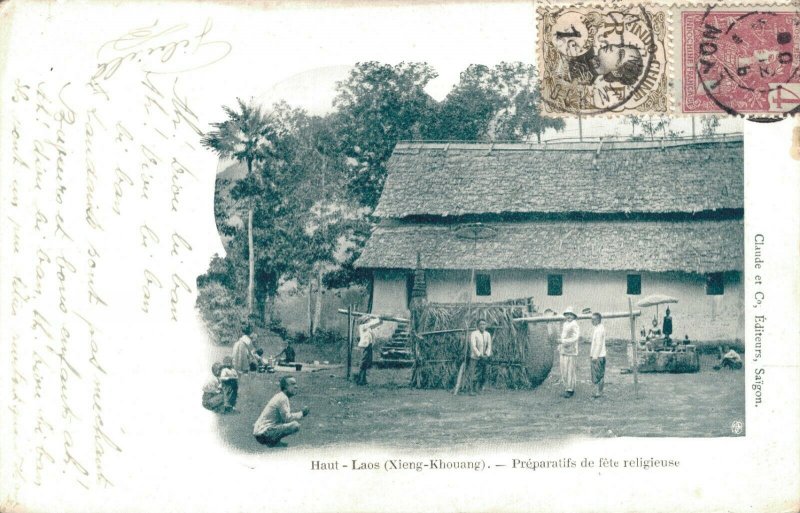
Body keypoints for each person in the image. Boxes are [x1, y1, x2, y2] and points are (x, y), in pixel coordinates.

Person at [253, 376, 310, 447]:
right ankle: (272, 443)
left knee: (281, 423)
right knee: (295, 425)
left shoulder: (280, 396)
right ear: (285, 387)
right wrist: (302, 413)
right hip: (264, 433)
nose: (296, 386)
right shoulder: (283, 398)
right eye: (293, 384)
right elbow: (287, 418)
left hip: (260, 432)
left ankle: (275, 443)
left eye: (296, 384)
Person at [568, 43, 644, 86]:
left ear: (617, 72)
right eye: (619, 46)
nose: (613, 46)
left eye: (620, 55)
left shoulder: (582, 84)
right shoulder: (584, 45)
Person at [466, 319, 493, 395]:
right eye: (480, 324)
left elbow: (489, 346)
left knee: (483, 373)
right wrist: (479, 355)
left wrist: (486, 354)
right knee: (474, 374)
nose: (482, 326)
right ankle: (471, 390)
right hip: (475, 357)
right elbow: (473, 346)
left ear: (486, 325)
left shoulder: (487, 334)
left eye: (484, 324)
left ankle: (479, 389)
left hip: (484, 357)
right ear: (478, 325)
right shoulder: (474, 334)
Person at [559, 307, 580, 398]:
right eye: (567, 314)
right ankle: (566, 387)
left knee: (570, 370)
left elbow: (576, 337)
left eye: (571, 314)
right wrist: (560, 344)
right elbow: (563, 336)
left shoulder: (574, 324)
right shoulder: (565, 324)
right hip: (564, 350)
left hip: (571, 350)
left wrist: (564, 342)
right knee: (563, 370)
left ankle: (570, 389)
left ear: (574, 316)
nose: (569, 316)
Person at [356, 315, 382, 386]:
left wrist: (380, 321)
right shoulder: (363, 326)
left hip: (368, 346)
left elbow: (375, 325)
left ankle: (363, 380)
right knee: (363, 362)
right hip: (365, 346)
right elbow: (373, 323)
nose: (370, 321)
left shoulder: (368, 328)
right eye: (368, 320)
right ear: (365, 321)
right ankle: (360, 380)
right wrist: (378, 318)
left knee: (366, 362)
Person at [589, 313, 606, 398]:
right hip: (601, 355)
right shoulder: (599, 328)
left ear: (598, 320)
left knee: (597, 375)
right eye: (591, 319)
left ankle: (598, 392)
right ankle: (600, 391)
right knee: (600, 374)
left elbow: (599, 344)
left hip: (598, 356)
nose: (592, 321)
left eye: (594, 320)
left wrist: (595, 356)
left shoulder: (599, 330)